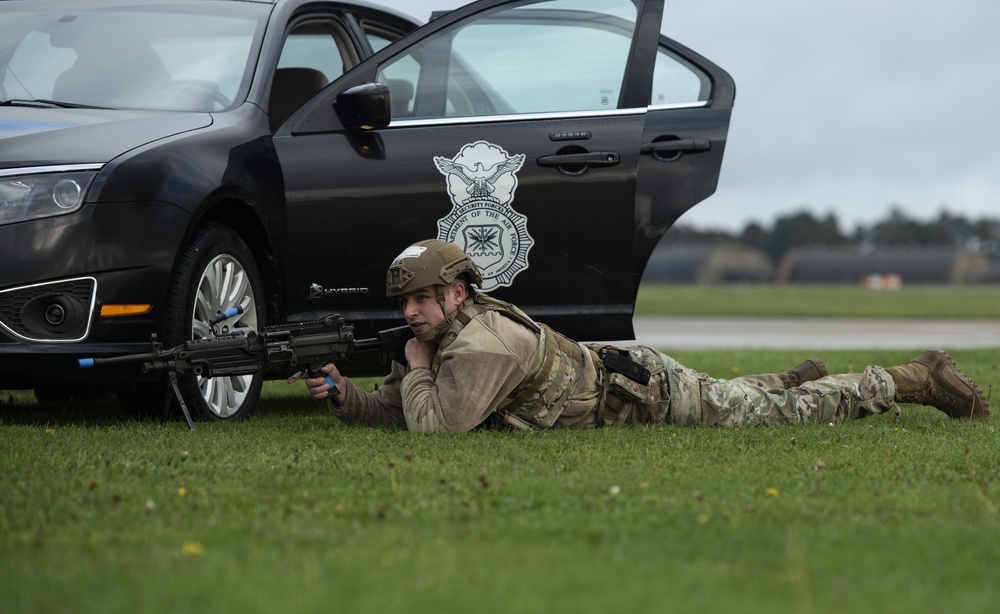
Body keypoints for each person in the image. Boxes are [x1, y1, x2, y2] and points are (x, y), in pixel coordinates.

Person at [291, 239, 989, 431]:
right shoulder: (444, 340)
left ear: (458, 292)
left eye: (422, 300)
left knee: (772, 417)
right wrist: (344, 394)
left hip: (641, 394)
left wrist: (413, 364)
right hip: (623, 375)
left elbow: (438, 427)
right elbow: (400, 407)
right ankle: (792, 373)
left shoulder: (478, 346)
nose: (412, 314)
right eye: (405, 304)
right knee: (738, 395)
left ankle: (912, 378)